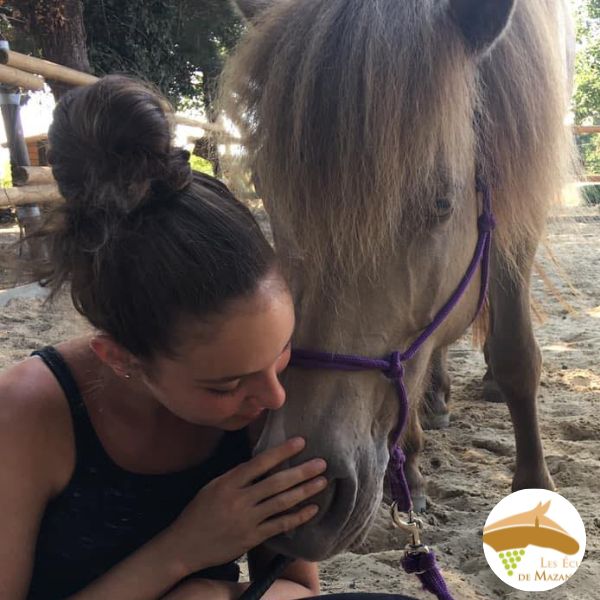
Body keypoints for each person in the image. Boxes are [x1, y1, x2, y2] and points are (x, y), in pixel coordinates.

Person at [0, 75, 328, 600]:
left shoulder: (258, 407)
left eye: (280, 353)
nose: (274, 397)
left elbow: (293, 587)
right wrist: (184, 549)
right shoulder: (25, 416)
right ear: (121, 358)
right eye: (225, 385)